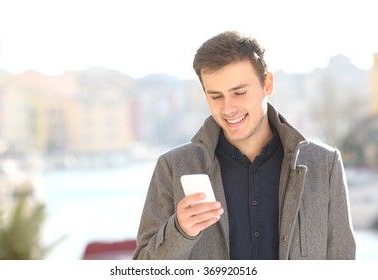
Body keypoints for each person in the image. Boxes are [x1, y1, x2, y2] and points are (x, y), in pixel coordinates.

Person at [132, 31, 356, 260]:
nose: (228, 108)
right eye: (216, 96)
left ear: (267, 84)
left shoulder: (324, 164)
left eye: (239, 93)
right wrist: (180, 231)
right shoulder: (172, 168)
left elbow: (343, 262)